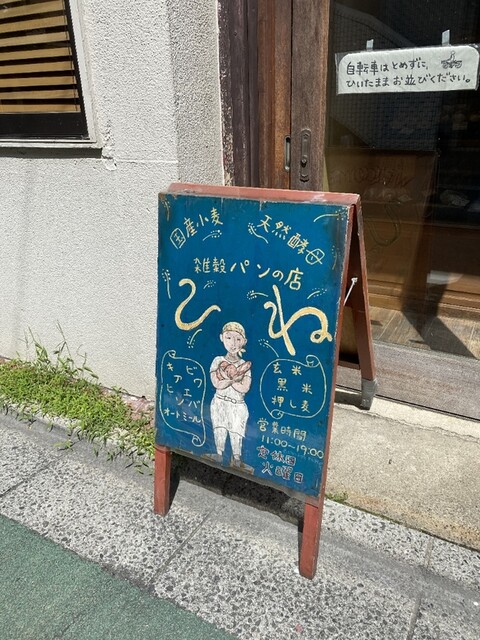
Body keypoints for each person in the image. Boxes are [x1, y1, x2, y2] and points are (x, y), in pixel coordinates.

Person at [208, 321, 252, 468]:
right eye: (229, 338)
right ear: (222, 338)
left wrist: (229, 379)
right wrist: (234, 379)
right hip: (220, 401)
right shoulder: (218, 361)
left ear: (244, 342)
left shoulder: (244, 365)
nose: (233, 343)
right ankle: (219, 454)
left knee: (236, 432)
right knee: (219, 428)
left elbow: (245, 387)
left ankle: (237, 458)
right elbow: (216, 383)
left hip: (237, 404)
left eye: (238, 339)